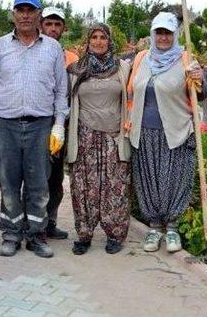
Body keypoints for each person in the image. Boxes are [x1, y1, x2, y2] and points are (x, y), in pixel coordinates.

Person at [0, 0, 69, 258]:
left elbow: (60, 91)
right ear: (13, 14)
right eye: (21, 10)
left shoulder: (53, 48)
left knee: (38, 184)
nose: (25, 15)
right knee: (8, 182)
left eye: (31, 10)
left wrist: (59, 126)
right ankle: (11, 234)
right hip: (5, 124)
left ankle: (36, 235)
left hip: (41, 125)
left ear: (39, 14)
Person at [127, 12, 207, 253]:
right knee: (148, 181)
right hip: (143, 133)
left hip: (175, 132)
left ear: (175, 35)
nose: (163, 37)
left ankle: (171, 229)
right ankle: (154, 228)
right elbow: (130, 89)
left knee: (173, 181)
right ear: (153, 34)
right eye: (159, 32)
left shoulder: (186, 60)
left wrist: (200, 78)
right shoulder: (142, 58)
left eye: (168, 33)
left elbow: (201, 93)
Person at [66, 23, 132, 255]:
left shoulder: (123, 68)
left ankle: (114, 234)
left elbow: (133, 96)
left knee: (115, 187)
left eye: (102, 37)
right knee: (84, 188)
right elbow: (64, 102)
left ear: (109, 40)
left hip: (113, 138)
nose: (98, 41)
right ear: (88, 41)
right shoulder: (76, 69)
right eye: (93, 37)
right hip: (85, 137)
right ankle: (84, 234)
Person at [39, 6, 79, 240]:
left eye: (57, 24)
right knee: (35, 177)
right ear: (40, 25)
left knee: (55, 178)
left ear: (63, 28)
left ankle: (50, 221)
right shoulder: (32, 51)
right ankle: (33, 222)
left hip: (61, 125)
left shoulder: (72, 59)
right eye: (48, 24)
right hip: (36, 124)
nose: (53, 29)